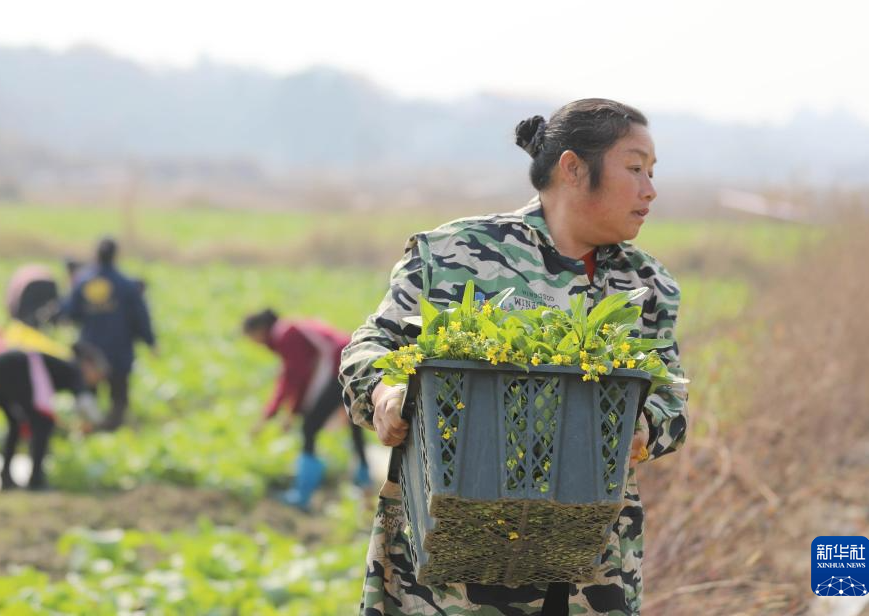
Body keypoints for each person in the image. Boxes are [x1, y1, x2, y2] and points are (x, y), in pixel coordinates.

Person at [339, 99, 689, 615]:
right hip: (447, 576)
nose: (650, 189)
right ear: (572, 168)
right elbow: (368, 346)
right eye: (635, 168)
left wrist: (642, 428)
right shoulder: (455, 253)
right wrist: (383, 394)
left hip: (587, 574)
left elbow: (673, 401)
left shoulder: (646, 285)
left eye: (652, 173)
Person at [244, 308, 371, 511]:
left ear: (260, 329)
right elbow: (291, 377)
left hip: (340, 367)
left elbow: (297, 376)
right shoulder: (289, 330)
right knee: (353, 419)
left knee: (309, 427)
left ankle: (303, 493)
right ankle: (364, 479)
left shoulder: (286, 335)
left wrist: (291, 412)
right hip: (353, 362)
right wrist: (272, 413)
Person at [0, 343, 107, 490]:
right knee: (43, 424)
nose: (96, 380)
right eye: (98, 374)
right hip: (11, 369)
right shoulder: (74, 370)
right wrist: (99, 424)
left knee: (16, 424)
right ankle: (36, 480)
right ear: (89, 365)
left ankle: (6, 477)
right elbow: (85, 403)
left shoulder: (61, 363)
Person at [65, 237, 157, 431]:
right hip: (119, 351)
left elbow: (69, 312)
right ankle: (113, 432)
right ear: (116, 256)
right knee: (118, 398)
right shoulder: (126, 285)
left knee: (89, 396)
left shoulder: (83, 282)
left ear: (96, 255)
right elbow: (140, 316)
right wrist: (150, 342)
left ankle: (90, 433)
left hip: (90, 353)